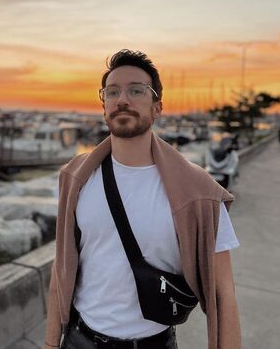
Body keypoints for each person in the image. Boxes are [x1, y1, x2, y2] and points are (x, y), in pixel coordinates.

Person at [45, 50, 241, 349]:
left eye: (136, 90)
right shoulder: (75, 178)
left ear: (157, 107)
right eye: (112, 92)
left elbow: (223, 293)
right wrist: (50, 342)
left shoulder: (199, 193)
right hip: (79, 339)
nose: (122, 99)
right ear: (104, 107)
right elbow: (60, 269)